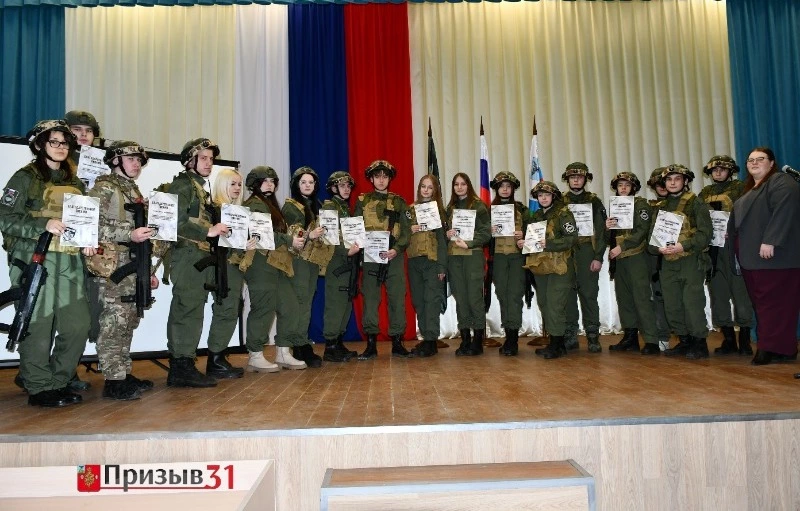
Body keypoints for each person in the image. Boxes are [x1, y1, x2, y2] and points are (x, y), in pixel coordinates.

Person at [0, 120, 90, 407]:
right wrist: (43, 223)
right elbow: (5, 218)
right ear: (39, 145)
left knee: (78, 325)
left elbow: (83, 219)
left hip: (69, 261)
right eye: (54, 142)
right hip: (34, 259)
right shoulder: (24, 178)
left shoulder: (74, 181)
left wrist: (89, 239)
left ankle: (59, 380)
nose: (61, 147)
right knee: (37, 325)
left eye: (65, 143)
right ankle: (39, 387)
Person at [85, 141, 158, 400]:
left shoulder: (132, 189)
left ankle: (123, 372)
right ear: (115, 161)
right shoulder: (104, 187)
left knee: (128, 319)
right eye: (131, 159)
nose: (136, 163)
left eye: (139, 160)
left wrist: (147, 269)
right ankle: (113, 380)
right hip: (112, 266)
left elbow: (143, 235)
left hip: (133, 264)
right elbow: (90, 226)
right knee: (114, 322)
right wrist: (129, 233)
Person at [165, 138, 240, 387]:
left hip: (199, 257)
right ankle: (180, 368)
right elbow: (172, 223)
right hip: (187, 256)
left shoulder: (198, 187)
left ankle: (185, 364)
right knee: (186, 310)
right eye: (204, 158)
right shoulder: (182, 186)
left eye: (211, 159)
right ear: (190, 160)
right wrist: (208, 231)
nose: (209, 163)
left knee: (193, 311)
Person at [728, 147, 800, 365]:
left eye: (760, 159)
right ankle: (784, 348)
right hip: (752, 259)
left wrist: (771, 240)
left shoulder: (781, 182)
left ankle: (769, 347)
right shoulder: (750, 189)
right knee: (767, 305)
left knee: (774, 305)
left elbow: (785, 210)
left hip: (775, 257)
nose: (754, 163)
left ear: (772, 163)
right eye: (751, 160)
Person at [241, 166, 306, 371]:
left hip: (276, 262)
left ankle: (283, 352)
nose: (270, 184)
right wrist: (289, 240)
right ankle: (255, 354)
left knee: (290, 306)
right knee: (263, 308)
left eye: (272, 181)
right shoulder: (254, 205)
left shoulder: (269, 205)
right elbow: (264, 233)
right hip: (260, 262)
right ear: (255, 184)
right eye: (265, 181)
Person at [647, 164, 712, 359]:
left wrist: (684, 246)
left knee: (692, 303)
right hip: (668, 262)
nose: (672, 183)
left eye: (677, 179)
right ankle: (684, 341)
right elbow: (651, 241)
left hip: (690, 260)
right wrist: (658, 248)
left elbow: (705, 234)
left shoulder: (695, 203)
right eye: (669, 180)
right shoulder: (661, 207)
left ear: (685, 182)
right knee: (672, 305)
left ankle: (699, 343)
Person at [355, 160, 412, 359]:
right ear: (371, 179)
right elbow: (355, 229)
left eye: (385, 176)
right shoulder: (362, 201)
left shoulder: (399, 202)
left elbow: (405, 232)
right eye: (377, 176)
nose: (381, 180)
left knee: (397, 297)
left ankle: (397, 341)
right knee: (370, 298)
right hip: (371, 257)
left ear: (389, 179)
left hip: (394, 257)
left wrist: (397, 249)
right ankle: (371, 344)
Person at [699, 155, 754, 355]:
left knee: (741, 295)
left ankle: (746, 340)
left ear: (731, 171)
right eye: (715, 170)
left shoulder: (741, 189)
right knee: (719, 295)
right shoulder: (705, 192)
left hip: (734, 247)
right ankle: (729, 339)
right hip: (713, 250)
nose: (718, 173)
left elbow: (750, 215)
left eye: (723, 169)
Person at [520, 181, 578, 359]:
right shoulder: (535, 215)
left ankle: (558, 345)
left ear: (554, 196)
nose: (543, 198)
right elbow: (531, 240)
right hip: (541, 267)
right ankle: (554, 341)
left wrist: (550, 243)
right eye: (540, 195)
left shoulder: (563, 214)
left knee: (555, 306)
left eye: (546, 195)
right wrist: (523, 243)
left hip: (560, 267)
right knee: (545, 304)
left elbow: (572, 239)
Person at [605, 172, 660, 355]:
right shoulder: (615, 206)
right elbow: (610, 237)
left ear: (634, 187)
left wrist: (623, 246)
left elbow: (642, 231)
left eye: (627, 185)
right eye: (620, 185)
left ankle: (651, 340)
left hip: (636, 257)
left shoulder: (641, 205)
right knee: (624, 298)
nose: (623, 188)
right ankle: (630, 337)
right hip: (620, 260)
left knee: (642, 298)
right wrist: (607, 227)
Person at [281, 167, 330, 368]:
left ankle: (302, 340)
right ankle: (298, 344)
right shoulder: (291, 206)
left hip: (313, 259)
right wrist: (309, 235)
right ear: (296, 185)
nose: (308, 185)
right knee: (300, 300)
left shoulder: (317, 205)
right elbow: (293, 232)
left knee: (307, 300)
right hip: (299, 259)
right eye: (303, 182)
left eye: (311, 182)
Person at [561, 162, 607, 353]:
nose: (576, 180)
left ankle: (592, 336)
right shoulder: (560, 202)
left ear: (585, 179)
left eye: (580, 177)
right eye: (573, 177)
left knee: (589, 294)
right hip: (566, 253)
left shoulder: (594, 201)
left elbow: (602, 231)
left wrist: (598, 256)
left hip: (588, 250)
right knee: (568, 294)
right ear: (568, 179)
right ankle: (571, 334)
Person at [446, 172, 491, 356]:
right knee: (461, 299)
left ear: (468, 185)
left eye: (463, 184)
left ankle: (478, 341)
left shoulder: (478, 205)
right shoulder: (450, 208)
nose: (459, 187)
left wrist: (470, 243)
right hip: (455, 257)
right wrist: (447, 234)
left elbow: (486, 232)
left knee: (474, 299)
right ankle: (465, 339)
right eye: (456, 184)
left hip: (472, 255)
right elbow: (445, 231)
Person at [320, 171, 361, 362]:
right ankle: (330, 346)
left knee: (345, 304)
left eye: (349, 186)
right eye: (342, 185)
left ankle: (338, 342)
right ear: (334, 188)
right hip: (337, 262)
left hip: (348, 263)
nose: (346, 189)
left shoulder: (345, 208)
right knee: (335, 305)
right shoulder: (329, 207)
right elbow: (329, 236)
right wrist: (347, 251)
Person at [407, 174, 448, 358]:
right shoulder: (410, 210)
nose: (426, 190)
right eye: (423, 186)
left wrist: (441, 266)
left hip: (432, 262)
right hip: (414, 261)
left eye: (430, 187)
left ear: (434, 191)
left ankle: (431, 341)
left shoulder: (438, 211)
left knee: (431, 301)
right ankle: (425, 338)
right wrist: (409, 229)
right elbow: (399, 237)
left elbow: (442, 241)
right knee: (419, 301)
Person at [489, 171, 527, 356]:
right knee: (502, 295)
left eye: (508, 186)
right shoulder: (489, 210)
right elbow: (480, 235)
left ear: (512, 189)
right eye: (501, 186)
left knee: (514, 296)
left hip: (516, 258)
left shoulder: (522, 209)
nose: (505, 189)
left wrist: (524, 235)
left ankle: (513, 338)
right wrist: (489, 230)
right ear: (497, 189)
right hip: (498, 258)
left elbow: (536, 231)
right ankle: (508, 332)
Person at [646, 168, 671, 351]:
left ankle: (688, 338)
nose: (661, 187)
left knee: (680, 299)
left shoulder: (684, 204)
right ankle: (663, 335)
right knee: (658, 298)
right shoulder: (648, 207)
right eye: (658, 184)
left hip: (678, 257)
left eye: (665, 183)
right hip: (654, 259)